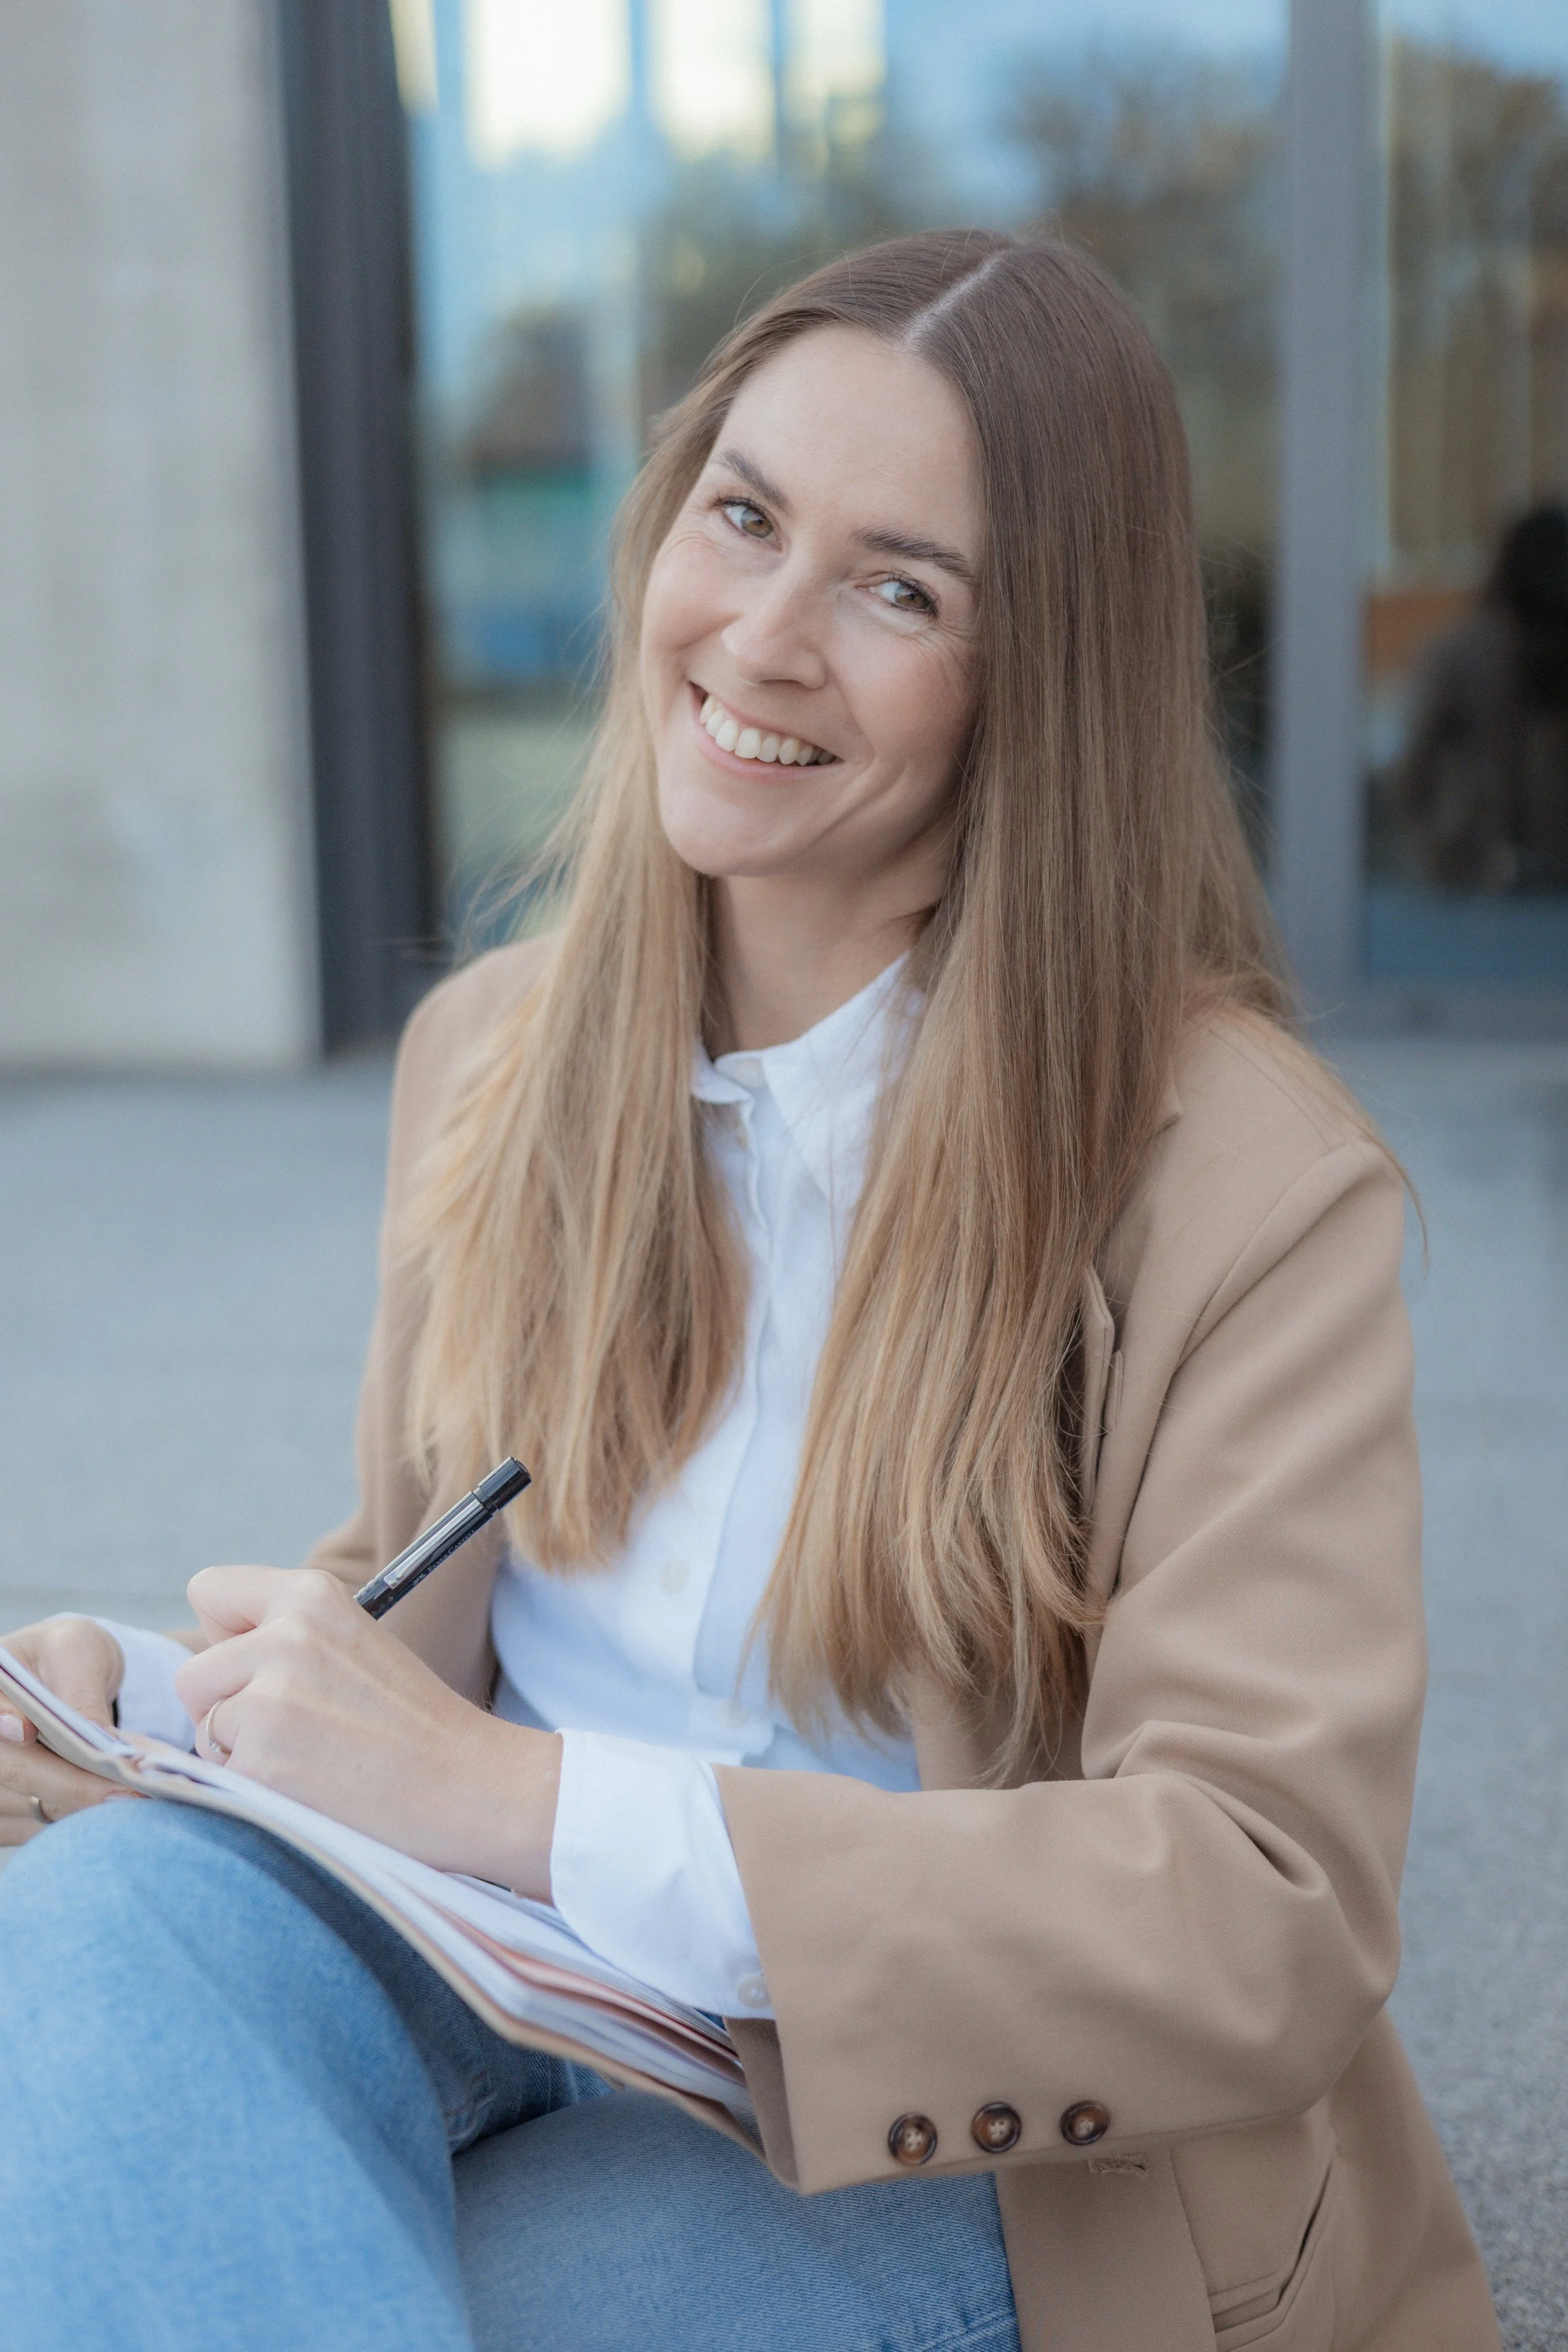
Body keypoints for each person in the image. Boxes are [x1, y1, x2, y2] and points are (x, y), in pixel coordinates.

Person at [0, 231, 1500, 2352]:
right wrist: (152, 1709)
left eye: (901, 590)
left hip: (929, 2115)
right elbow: (427, 1596)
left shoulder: (1248, 1187)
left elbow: (1261, 1905)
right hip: (491, 1967)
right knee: (86, 1945)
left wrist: (532, 1808)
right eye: (745, 518)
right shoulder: (500, 1054)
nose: (764, 638)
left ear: (1040, 680)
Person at [1390, 501, 1568, 893]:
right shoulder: (1464, 655)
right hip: (1472, 876)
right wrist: (1440, 847)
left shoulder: (1462, 652)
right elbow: (1414, 771)